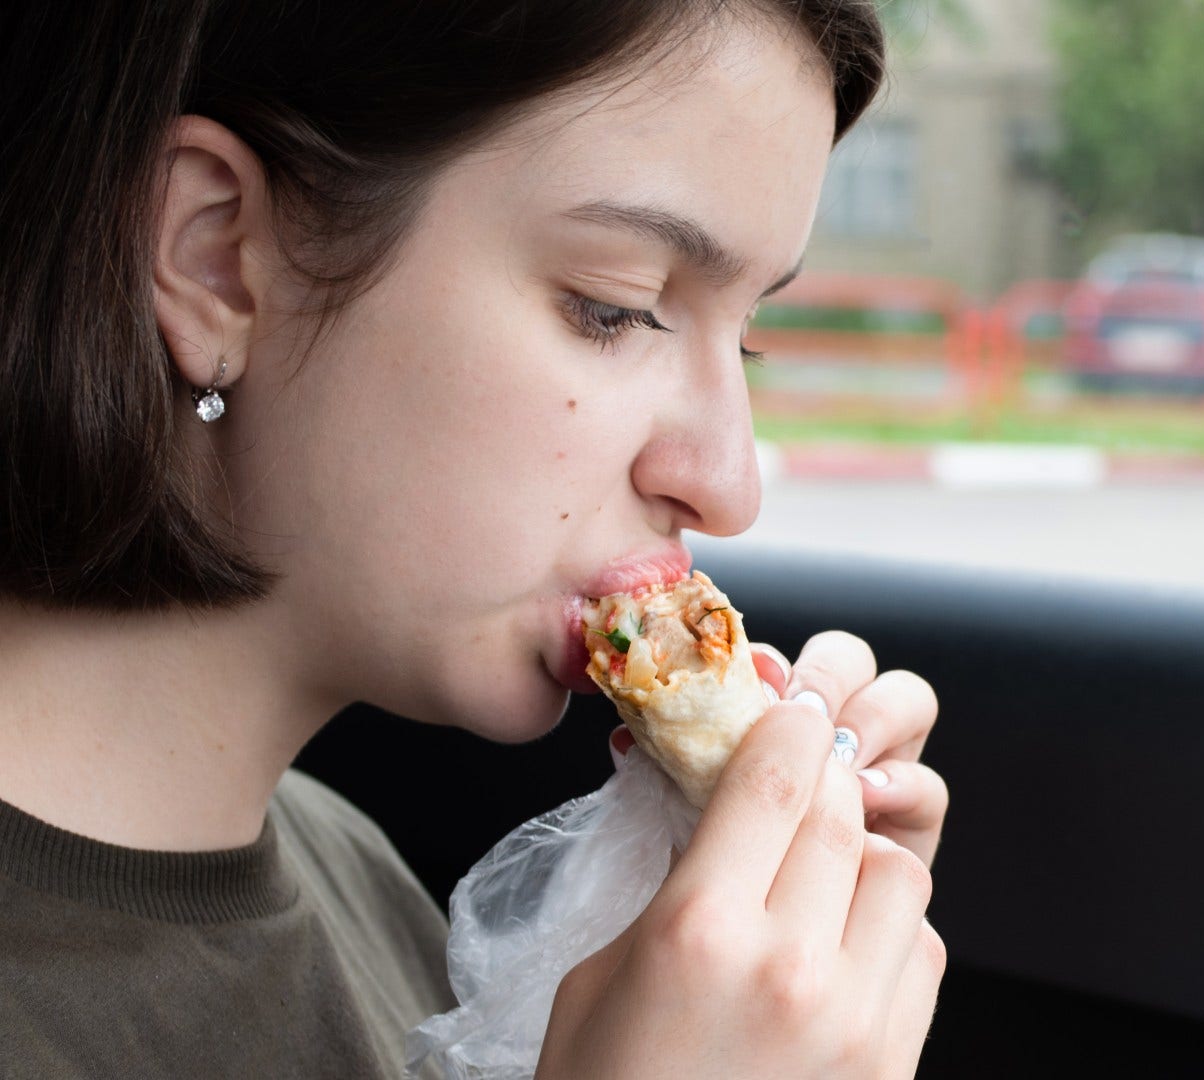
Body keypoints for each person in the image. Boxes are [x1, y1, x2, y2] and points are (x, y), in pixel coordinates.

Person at [0, 2, 948, 1077]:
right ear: (216, 259)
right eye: (617, 308)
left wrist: (741, 978)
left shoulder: (361, 883)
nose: (729, 485)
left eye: (750, 340)